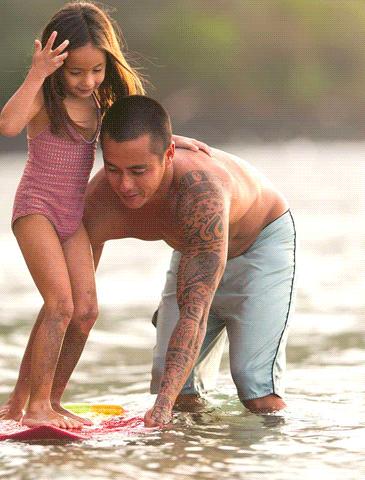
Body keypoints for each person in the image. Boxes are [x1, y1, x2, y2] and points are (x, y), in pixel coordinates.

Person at [0, 2, 210, 429]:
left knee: (85, 310)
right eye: (76, 71)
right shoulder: (44, 98)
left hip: (71, 217)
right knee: (59, 304)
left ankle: (48, 400)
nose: (87, 80)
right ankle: (33, 405)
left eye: (96, 70)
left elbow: (140, 128)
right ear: (57, 63)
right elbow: (7, 125)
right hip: (36, 209)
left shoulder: (100, 102)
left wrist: (174, 141)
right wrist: (36, 73)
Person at [82, 95, 297, 427]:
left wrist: (161, 409)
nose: (124, 185)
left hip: (259, 243)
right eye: (113, 169)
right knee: (176, 388)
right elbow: (72, 306)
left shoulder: (200, 196)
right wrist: (37, 400)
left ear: (168, 155)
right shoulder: (99, 199)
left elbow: (193, 315)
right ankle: (199, 451)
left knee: (255, 387)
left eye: (138, 171)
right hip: (196, 246)